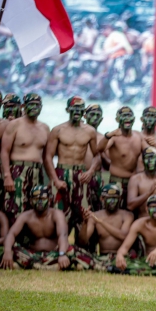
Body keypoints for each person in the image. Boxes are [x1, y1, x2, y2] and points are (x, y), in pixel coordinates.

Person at [44, 96, 100, 241]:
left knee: (82, 213)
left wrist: (91, 171)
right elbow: (48, 157)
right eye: (74, 109)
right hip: (62, 172)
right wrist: (55, 180)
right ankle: (59, 248)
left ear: (83, 112)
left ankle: (81, 250)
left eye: (80, 109)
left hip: (81, 175)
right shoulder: (57, 130)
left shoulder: (90, 131)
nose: (77, 112)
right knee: (60, 212)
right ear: (67, 110)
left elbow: (97, 156)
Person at [0, 186, 94, 270]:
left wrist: (61, 254)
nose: (39, 202)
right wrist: (7, 251)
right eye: (36, 198)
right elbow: (11, 234)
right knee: (13, 248)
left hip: (54, 254)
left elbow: (63, 235)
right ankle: (48, 267)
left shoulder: (56, 214)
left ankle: (31, 266)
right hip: (33, 254)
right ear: (31, 201)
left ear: (49, 199)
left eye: (43, 198)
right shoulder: (26, 216)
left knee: (71, 250)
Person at [1, 93, 49, 225]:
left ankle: (29, 242)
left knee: (35, 206)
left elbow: (46, 157)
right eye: (31, 104)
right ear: (23, 106)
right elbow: (5, 151)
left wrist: (51, 178)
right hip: (18, 170)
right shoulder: (14, 125)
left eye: (37, 105)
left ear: (41, 107)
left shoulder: (45, 128)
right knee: (15, 206)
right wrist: (7, 176)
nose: (34, 107)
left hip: (37, 172)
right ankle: (14, 241)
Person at [115, 195, 156, 276]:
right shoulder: (139, 224)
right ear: (146, 209)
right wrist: (120, 255)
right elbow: (124, 247)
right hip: (145, 261)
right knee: (119, 261)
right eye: (152, 207)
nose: (155, 210)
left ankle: (134, 271)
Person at [97, 106, 149, 209]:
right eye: (124, 116)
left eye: (129, 116)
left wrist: (155, 144)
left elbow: (150, 153)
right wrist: (108, 135)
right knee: (115, 211)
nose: (127, 119)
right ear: (117, 119)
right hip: (117, 182)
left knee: (132, 212)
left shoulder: (138, 136)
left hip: (133, 183)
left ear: (133, 119)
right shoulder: (114, 137)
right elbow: (100, 149)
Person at [79, 184, 134, 270]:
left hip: (121, 256)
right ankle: (105, 267)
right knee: (73, 251)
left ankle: (105, 267)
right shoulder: (95, 216)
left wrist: (101, 222)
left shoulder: (127, 215)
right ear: (102, 199)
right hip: (102, 257)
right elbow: (83, 241)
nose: (112, 201)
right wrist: (85, 223)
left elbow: (123, 235)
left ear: (119, 199)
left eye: (115, 198)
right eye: (109, 198)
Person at [127, 147, 156, 217]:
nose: (150, 160)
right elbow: (130, 206)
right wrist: (148, 193)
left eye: (153, 157)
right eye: (147, 158)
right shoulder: (136, 179)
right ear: (142, 161)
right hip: (143, 221)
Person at [83, 104, 107, 210]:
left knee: (96, 210)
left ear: (101, 119)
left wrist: (102, 155)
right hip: (79, 175)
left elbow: (109, 165)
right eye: (92, 114)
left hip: (96, 178)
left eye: (98, 115)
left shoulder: (103, 138)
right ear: (85, 116)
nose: (95, 117)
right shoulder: (78, 134)